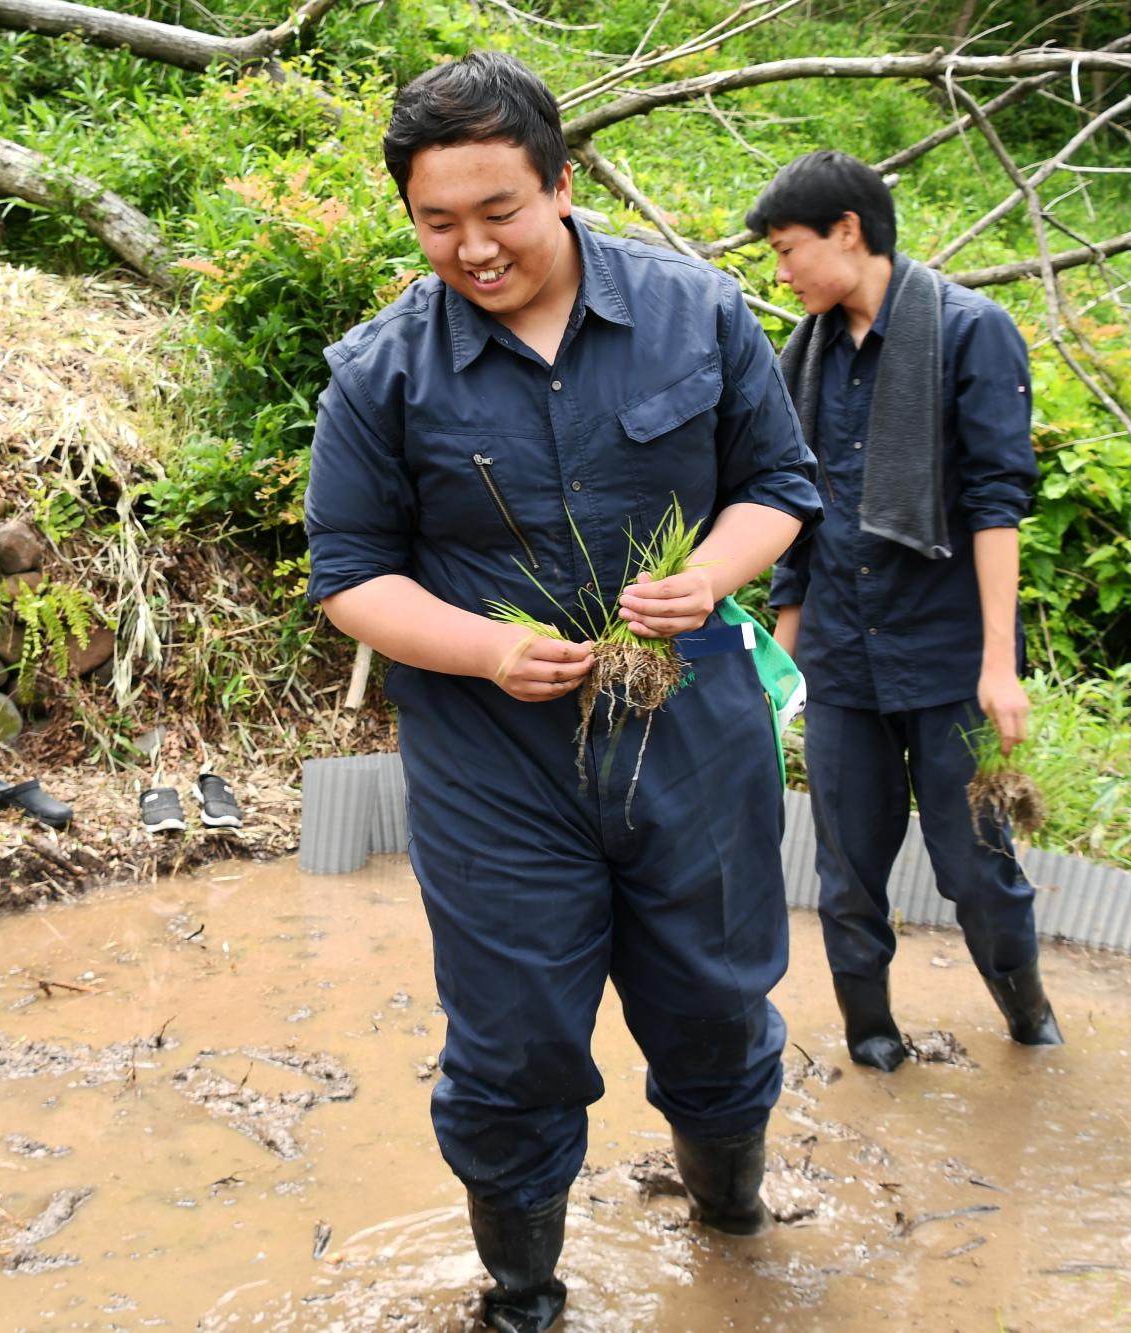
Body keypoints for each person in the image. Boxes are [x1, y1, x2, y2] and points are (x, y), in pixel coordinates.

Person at [303, 52, 821, 1332]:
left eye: (499, 213)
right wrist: (481, 649)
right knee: (514, 1038)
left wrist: (704, 577)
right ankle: (523, 1296)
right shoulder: (381, 372)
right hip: (495, 759)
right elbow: (349, 575)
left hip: (687, 726)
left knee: (712, 1000)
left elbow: (778, 489)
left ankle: (732, 1228)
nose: (471, 249)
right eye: (437, 224)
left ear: (563, 185)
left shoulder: (696, 312)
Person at [748, 150, 1061, 1073]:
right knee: (846, 877)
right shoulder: (800, 359)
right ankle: (873, 1047)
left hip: (946, 659)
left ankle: (1030, 1027)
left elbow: (996, 502)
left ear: (849, 231)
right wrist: (781, 666)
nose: (782, 271)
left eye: (788, 249)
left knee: (975, 870)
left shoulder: (970, 332)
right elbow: (795, 515)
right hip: (842, 662)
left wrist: (999, 664)